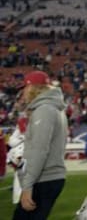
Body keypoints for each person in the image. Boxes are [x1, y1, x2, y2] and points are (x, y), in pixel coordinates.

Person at [13, 70, 67, 220]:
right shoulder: (53, 108)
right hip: (48, 177)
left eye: (25, 88)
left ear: (33, 88)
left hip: (43, 178)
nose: (23, 92)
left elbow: (39, 150)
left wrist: (27, 186)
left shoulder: (44, 110)